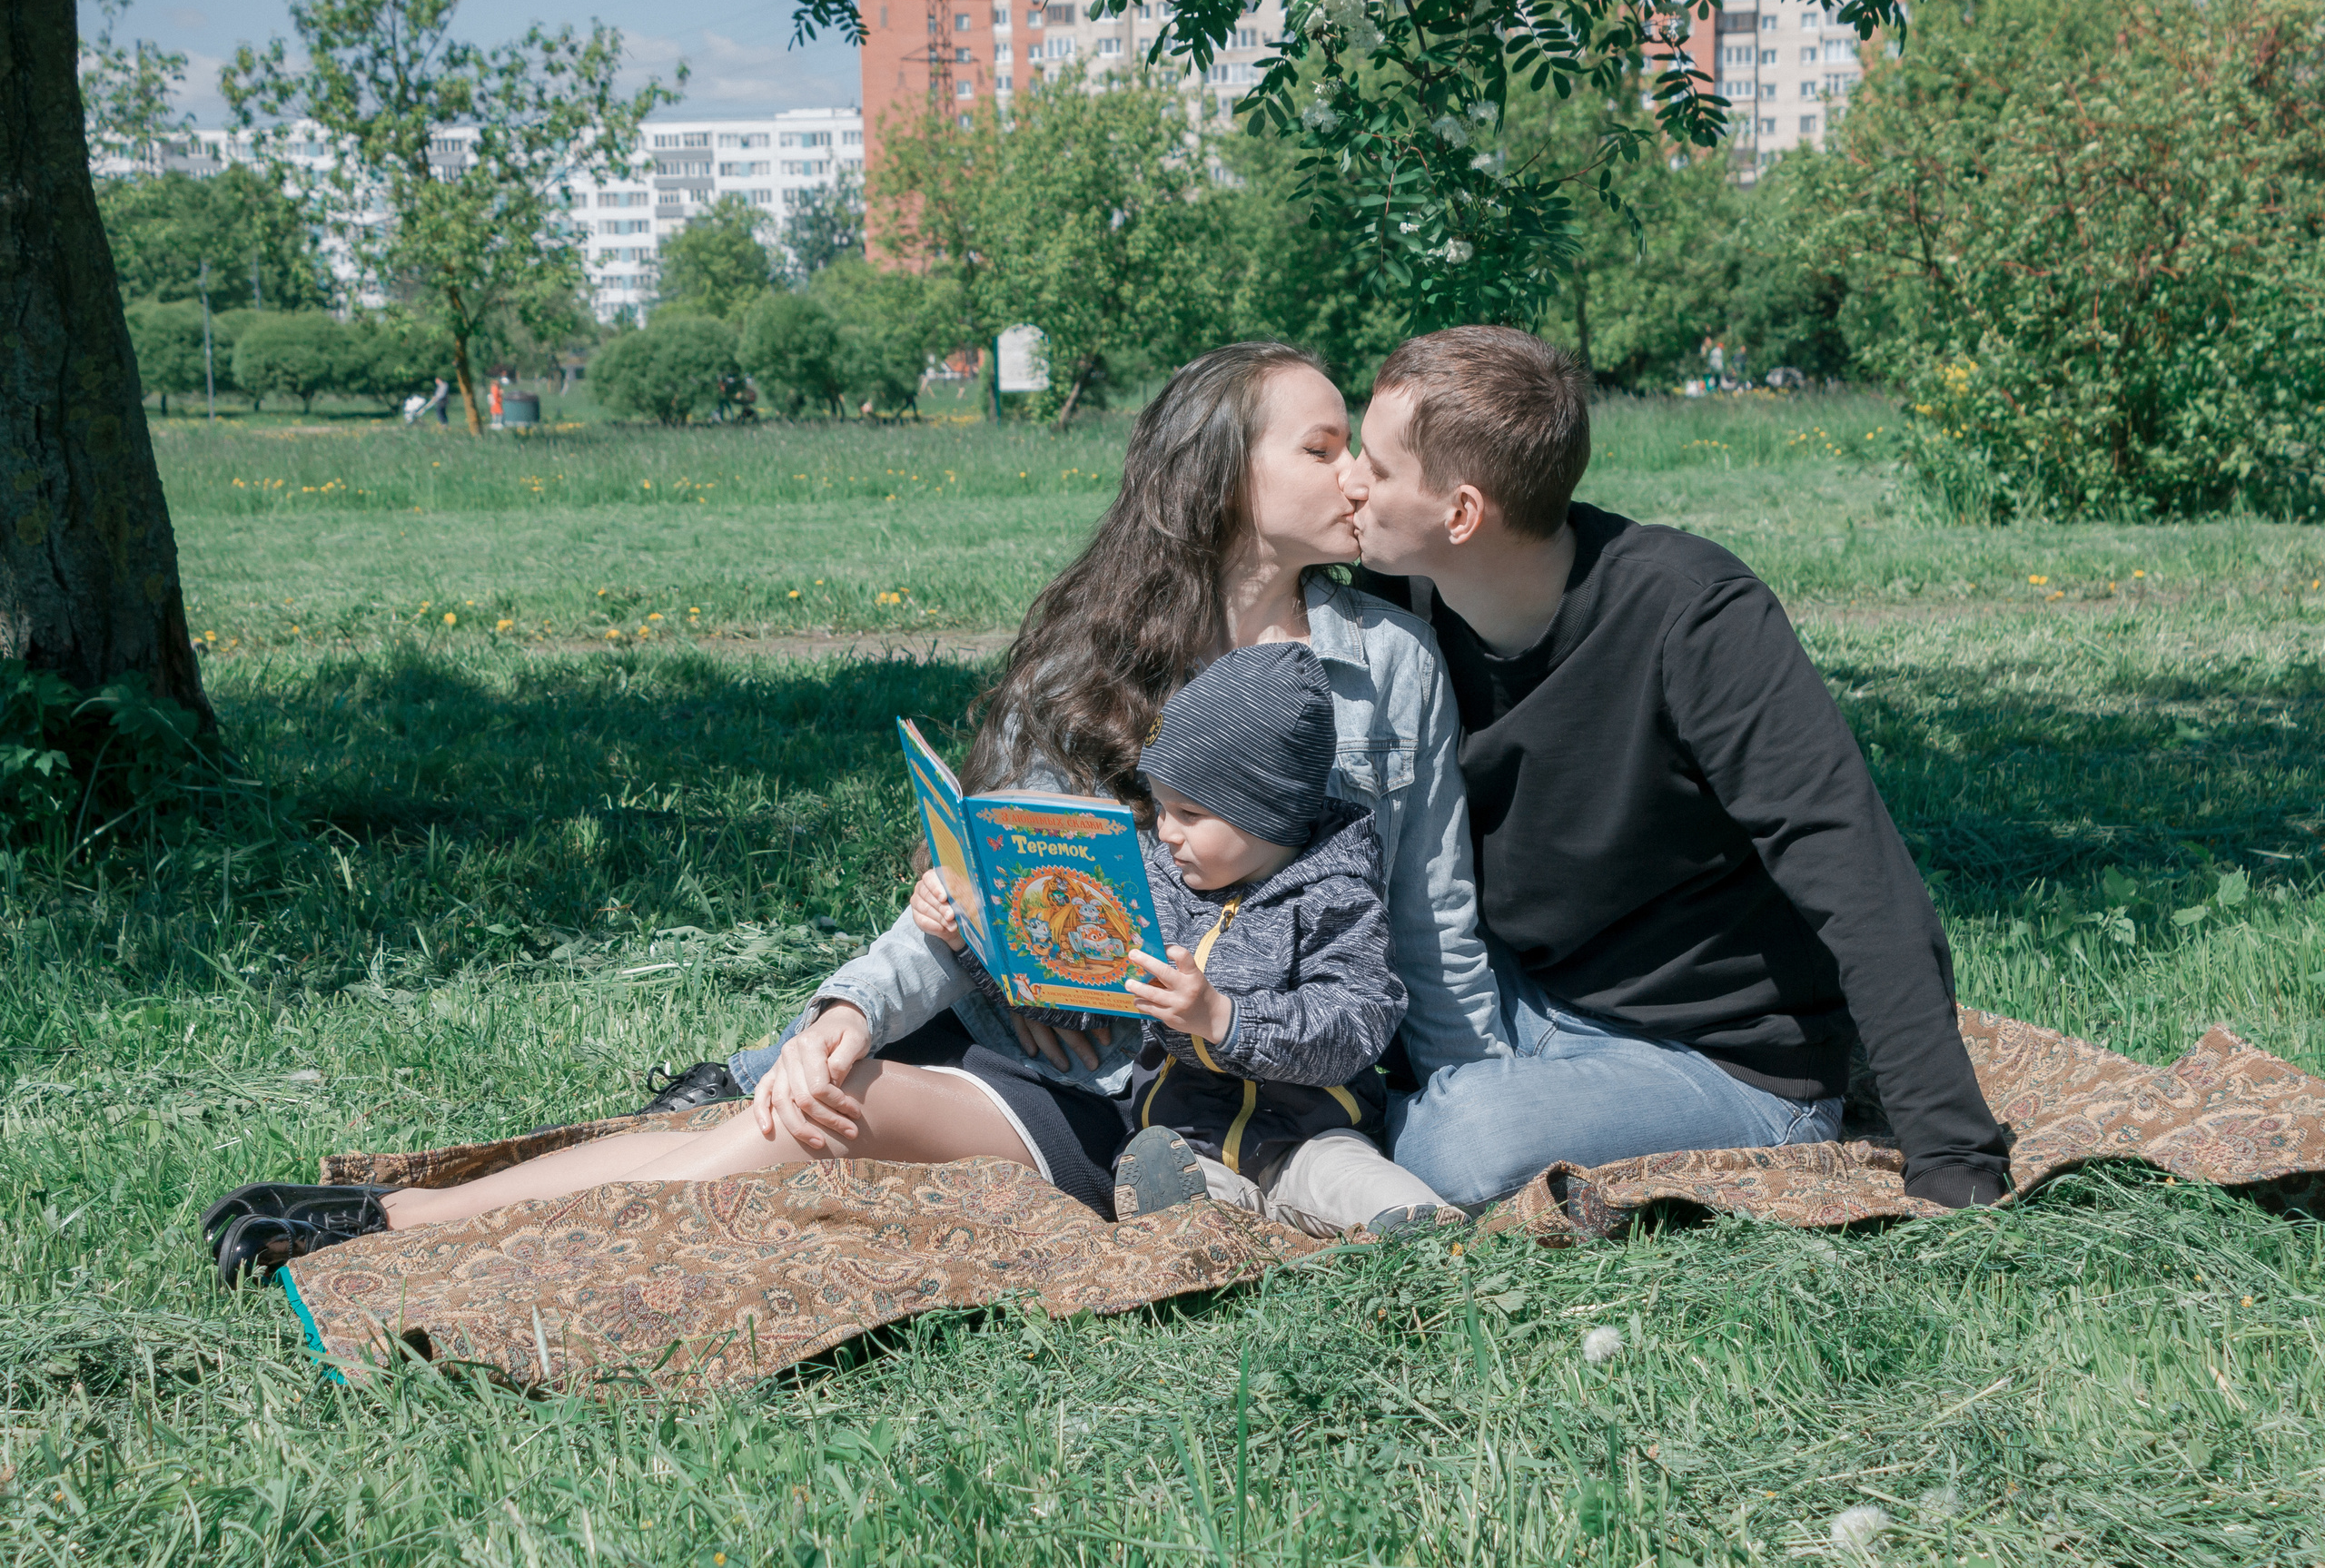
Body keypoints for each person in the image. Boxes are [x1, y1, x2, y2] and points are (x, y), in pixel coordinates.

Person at [202, 341, 1502, 1285]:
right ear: (1223, 477)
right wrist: (842, 1009)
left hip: (1216, 1096)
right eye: (1323, 447)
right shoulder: (1088, 661)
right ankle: (397, 1217)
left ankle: (409, 1233)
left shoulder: (1386, 662)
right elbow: (965, 900)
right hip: (1047, 1064)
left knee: (780, 1123)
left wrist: (1474, 1106)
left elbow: (1427, 908)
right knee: (792, 1113)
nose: (1357, 478)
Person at [1341, 325, 2011, 1212]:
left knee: (1462, 1141)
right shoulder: (1398, 598)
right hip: (1517, 990)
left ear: (1460, 514)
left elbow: (1855, 874)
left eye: (1377, 468)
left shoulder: (1691, 618)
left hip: (1717, 1056)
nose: (1349, 479)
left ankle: (1344, 1136)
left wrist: (1954, 1154)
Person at [913, 642, 1454, 1237]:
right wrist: (972, 939)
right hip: (1188, 1136)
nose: (1165, 831)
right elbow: (1078, 996)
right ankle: (1211, 1226)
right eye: (1160, 804)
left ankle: (1418, 1233)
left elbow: (1356, 1023)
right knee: (1167, 1182)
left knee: (1361, 1185)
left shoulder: (1337, 895)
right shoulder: (1158, 881)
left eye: (1190, 813)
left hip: (1312, 1133)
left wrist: (1224, 1018)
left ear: (1267, 814)